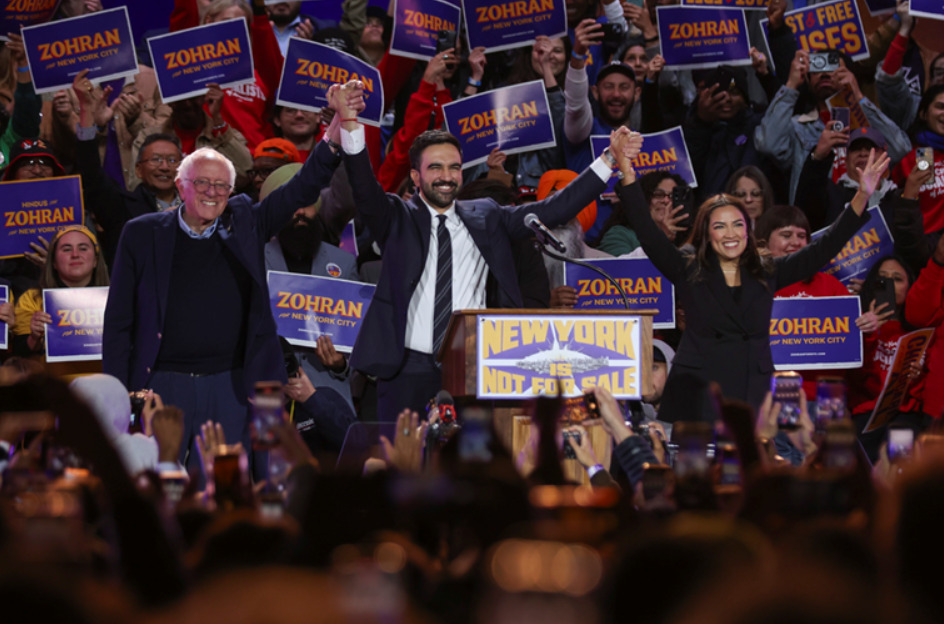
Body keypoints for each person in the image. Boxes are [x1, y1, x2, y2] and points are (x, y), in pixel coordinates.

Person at [330, 80, 630, 420]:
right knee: (403, 453)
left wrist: (608, 160)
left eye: (454, 167)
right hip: (406, 368)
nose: (446, 176)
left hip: (473, 364)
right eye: (435, 167)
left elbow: (554, 209)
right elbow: (363, 187)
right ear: (415, 176)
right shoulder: (396, 216)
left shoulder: (487, 215)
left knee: (471, 453)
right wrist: (350, 123)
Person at [103, 90, 354, 477]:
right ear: (181, 185)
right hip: (162, 384)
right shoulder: (141, 234)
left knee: (229, 486)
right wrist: (121, 393)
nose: (212, 192)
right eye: (202, 183)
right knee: (157, 486)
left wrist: (335, 131)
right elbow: (119, 321)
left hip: (235, 385)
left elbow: (302, 187)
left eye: (222, 186)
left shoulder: (246, 223)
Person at [611, 130, 888, 412]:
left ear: (748, 231)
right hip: (698, 393)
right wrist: (626, 171)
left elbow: (823, 248)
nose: (730, 234)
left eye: (737, 225)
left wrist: (862, 195)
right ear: (707, 233)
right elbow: (648, 234)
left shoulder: (768, 270)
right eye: (720, 226)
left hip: (753, 395)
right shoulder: (688, 268)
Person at [755, 49, 910, 203]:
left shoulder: (867, 125)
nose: (825, 73)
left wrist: (858, 96)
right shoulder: (799, 127)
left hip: (866, 212)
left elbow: (900, 148)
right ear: (807, 78)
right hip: (818, 213)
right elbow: (768, 144)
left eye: (833, 67)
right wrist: (791, 85)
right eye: (817, 68)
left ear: (849, 76)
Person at [13, 226, 109, 380]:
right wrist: (34, 337)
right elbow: (18, 358)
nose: (75, 255)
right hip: (56, 389)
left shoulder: (117, 299)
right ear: (54, 262)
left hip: (107, 384)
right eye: (66, 249)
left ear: (96, 260)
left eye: (83, 248)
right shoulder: (32, 299)